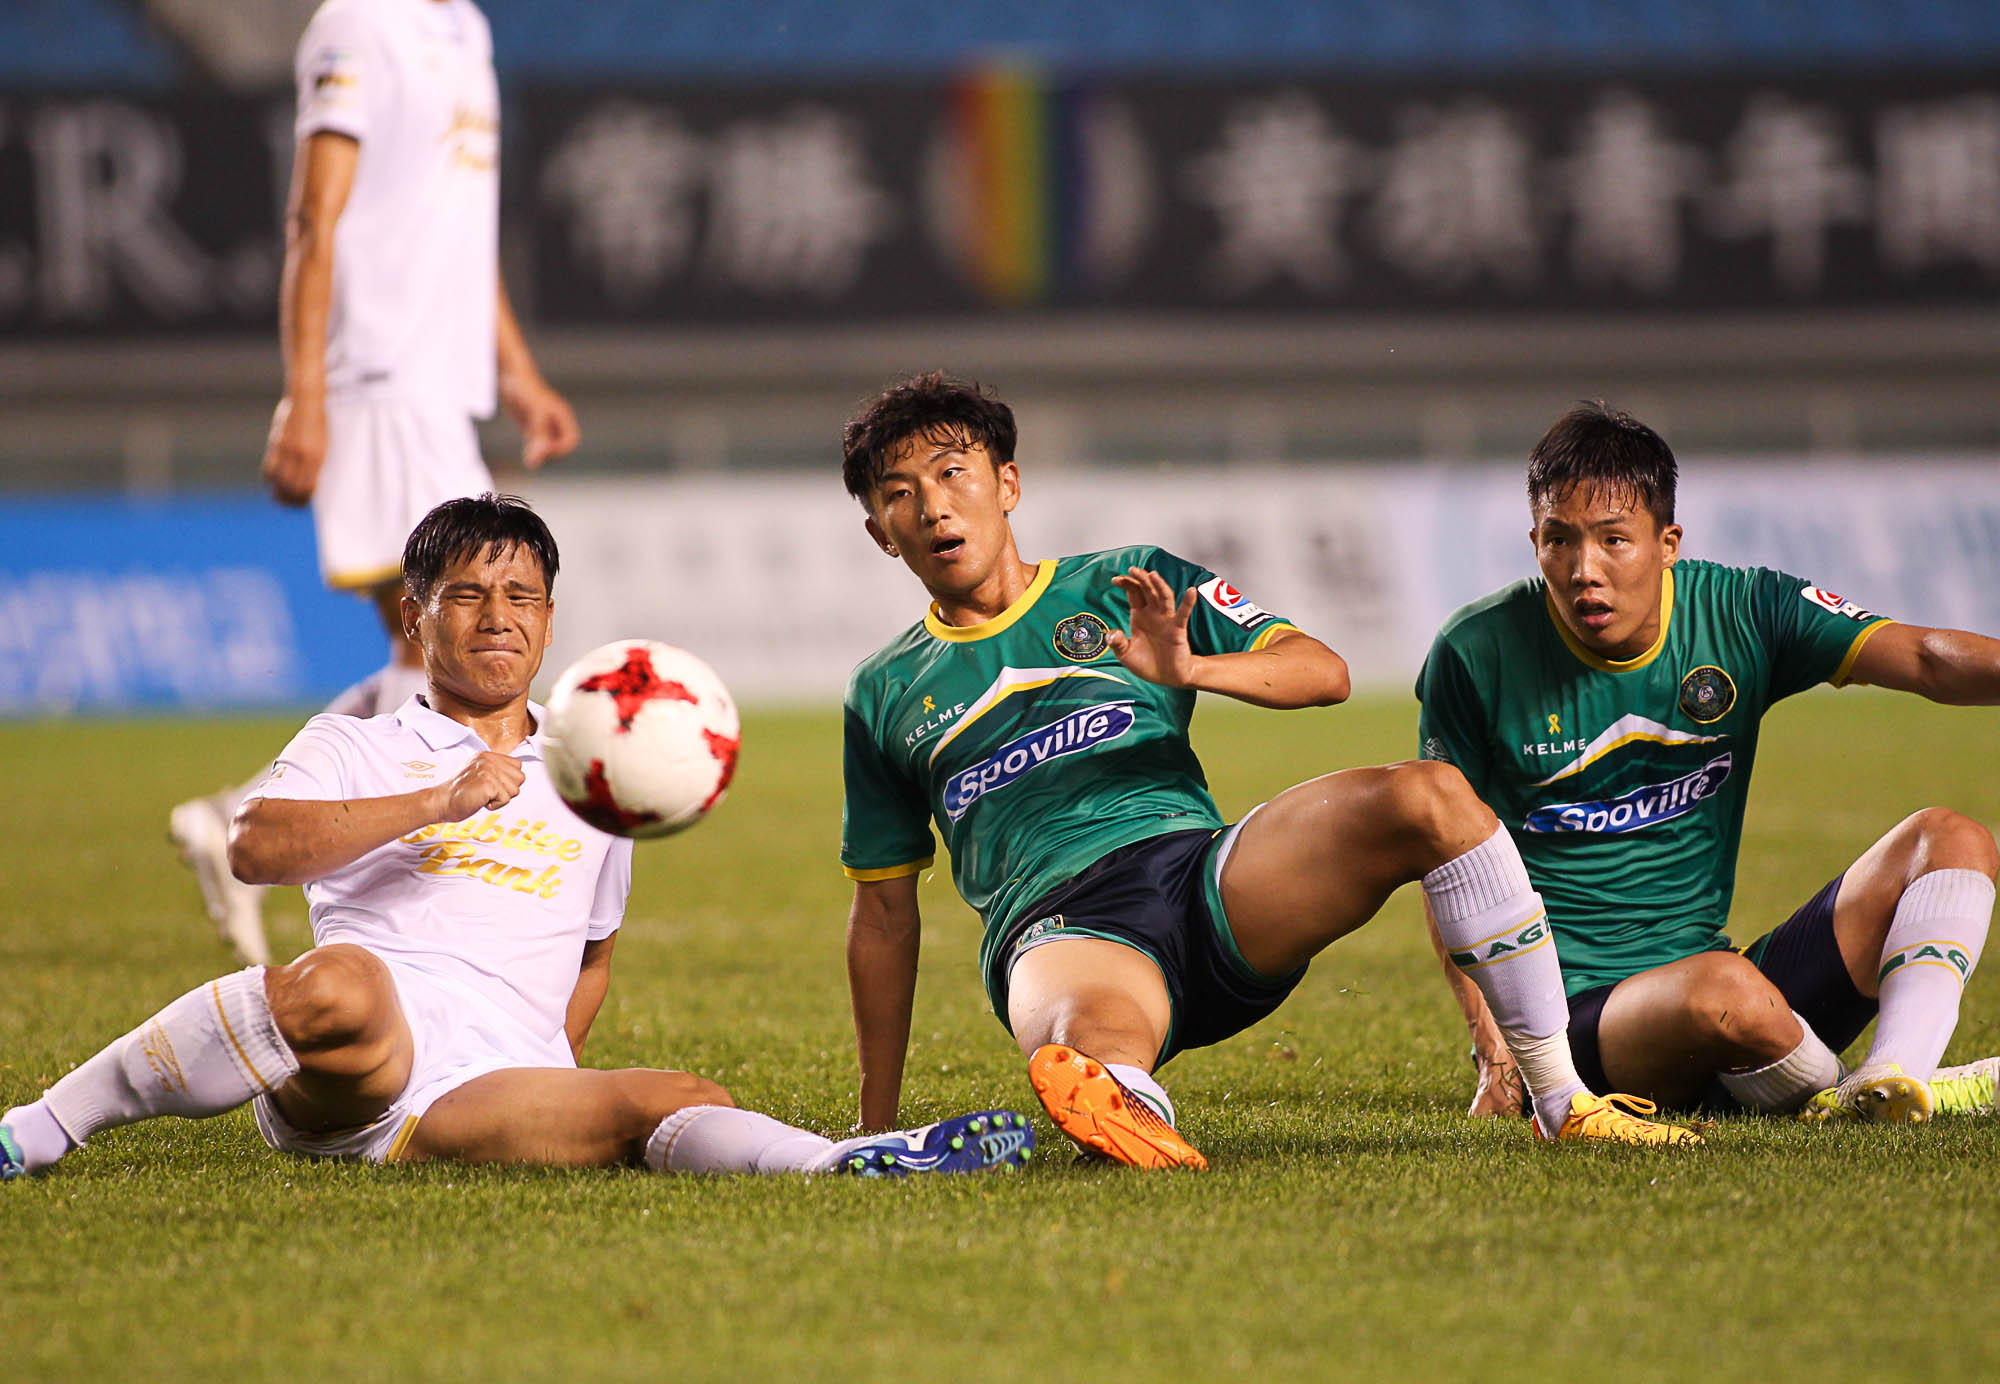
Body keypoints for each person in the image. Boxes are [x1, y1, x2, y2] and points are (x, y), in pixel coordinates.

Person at [3, 496, 1032, 1183]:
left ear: (548, 621)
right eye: (468, 595)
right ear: (415, 617)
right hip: (362, 1052)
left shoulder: (594, 763)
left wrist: (548, 1061)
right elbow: (255, 848)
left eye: (522, 597)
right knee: (338, 985)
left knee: (680, 1098)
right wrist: (435, 803)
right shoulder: (361, 741)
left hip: (483, 1084)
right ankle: (42, 1125)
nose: (498, 618)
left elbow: (594, 949)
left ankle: (838, 1164)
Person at [836, 373, 1699, 1170]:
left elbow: (1323, 673)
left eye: (954, 475)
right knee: (1085, 1037)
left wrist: (1194, 671)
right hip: (1062, 927)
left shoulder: (1124, 585)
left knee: (1431, 797)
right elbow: (882, 917)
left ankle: (1562, 1097)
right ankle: (1131, 1108)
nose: (934, 509)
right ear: (880, 533)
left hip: (1212, 881)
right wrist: (877, 1128)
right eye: (900, 495)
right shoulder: (885, 692)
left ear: (1008, 483)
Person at [1419, 403, 2000, 1125]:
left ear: (1668, 544)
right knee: (1724, 993)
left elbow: (1923, 657)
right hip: (1576, 1019)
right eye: (1558, 540)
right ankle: (1842, 1087)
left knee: (1952, 839)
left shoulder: (1744, 610)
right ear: (1534, 541)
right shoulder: (1475, 653)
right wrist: (1499, 1054)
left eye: (1613, 540)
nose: (1583, 571)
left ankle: (1894, 1079)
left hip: (1729, 980)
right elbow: (1444, 865)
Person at [169, 0, 580, 967]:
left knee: (445, 638)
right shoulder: (354, 24)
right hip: (380, 379)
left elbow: (459, 231)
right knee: (442, 627)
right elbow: (314, 214)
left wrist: (515, 374)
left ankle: (237, 813)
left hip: (443, 388)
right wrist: (303, 397)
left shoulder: (465, 31)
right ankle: (264, 820)